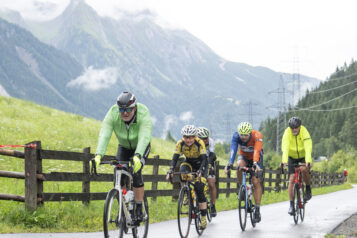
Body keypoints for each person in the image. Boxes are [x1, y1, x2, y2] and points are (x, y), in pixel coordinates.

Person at [93, 91, 152, 224]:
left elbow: (144, 136)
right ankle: (124, 206)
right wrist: (98, 155)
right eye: (122, 110)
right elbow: (104, 134)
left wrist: (138, 155)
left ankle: (138, 207)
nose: (125, 113)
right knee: (118, 174)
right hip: (124, 147)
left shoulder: (143, 113)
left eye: (128, 110)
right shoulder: (113, 113)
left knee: (136, 172)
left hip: (141, 146)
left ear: (135, 108)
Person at [166, 125, 209, 229]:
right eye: (186, 137)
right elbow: (175, 157)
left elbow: (204, 159)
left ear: (194, 137)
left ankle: (203, 218)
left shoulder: (200, 143)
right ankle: (186, 192)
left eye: (190, 137)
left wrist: (200, 170)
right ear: (183, 137)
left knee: (199, 188)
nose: (188, 140)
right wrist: (171, 170)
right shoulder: (180, 143)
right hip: (189, 162)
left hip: (201, 164)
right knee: (182, 172)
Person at [225, 122, 263, 223]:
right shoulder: (236, 136)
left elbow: (257, 150)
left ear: (250, 133)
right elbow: (233, 149)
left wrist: (255, 163)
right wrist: (229, 163)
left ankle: (257, 209)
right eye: (242, 135)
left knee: (255, 181)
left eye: (246, 135)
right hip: (244, 157)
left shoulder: (257, 135)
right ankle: (242, 187)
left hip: (256, 158)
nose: (243, 137)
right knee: (239, 166)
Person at [281, 116, 312, 216]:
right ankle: (291, 205)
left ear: (299, 126)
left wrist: (308, 161)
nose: (294, 130)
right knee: (292, 178)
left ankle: (308, 188)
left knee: (303, 169)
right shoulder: (287, 133)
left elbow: (308, 147)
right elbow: (285, 147)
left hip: (303, 156)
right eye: (292, 128)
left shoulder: (304, 131)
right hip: (291, 156)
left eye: (296, 128)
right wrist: (284, 161)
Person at [197, 127, 218, 217]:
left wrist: (209, 165)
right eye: (203, 138)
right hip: (199, 162)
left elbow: (212, 155)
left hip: (209, 161)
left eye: (206, 138)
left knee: (211, 183)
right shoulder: (195, 143)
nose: (205, 140)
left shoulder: (211, 141)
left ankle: (213, 205)